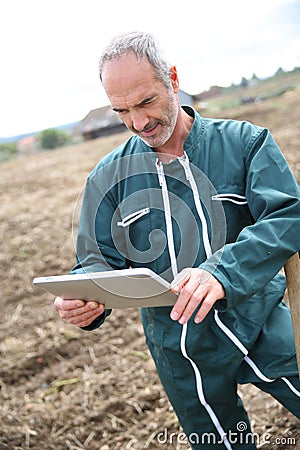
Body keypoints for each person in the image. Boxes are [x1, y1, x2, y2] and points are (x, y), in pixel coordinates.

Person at [54, 31, 300, 449]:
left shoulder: (245, 143)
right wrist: (86, 297)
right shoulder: (106, 179)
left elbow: (287, 215)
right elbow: (96, 260)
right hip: (180, 348)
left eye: (146, 102)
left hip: (259, 316)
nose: (138, 122)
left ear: (172, 77)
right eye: (122, 111)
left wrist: (221, 273)